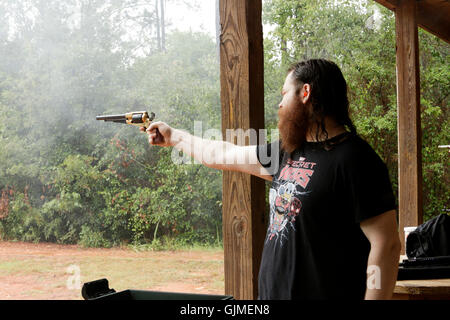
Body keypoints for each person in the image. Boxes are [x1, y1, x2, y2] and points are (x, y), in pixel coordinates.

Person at [142, 59, 401, 300]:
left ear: (305, 93)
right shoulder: (286, 152)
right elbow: (222, 154)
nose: (279, 105)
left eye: (284, 94)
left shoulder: (356, 159)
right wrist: (174, 136)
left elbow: (386, 245)